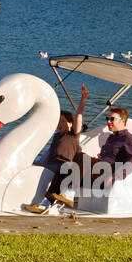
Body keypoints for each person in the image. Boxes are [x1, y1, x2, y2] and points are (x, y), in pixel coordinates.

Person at [22, 85, 89, 214]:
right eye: (58, 122)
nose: (59, 125)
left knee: (60, 170)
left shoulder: (73, 135)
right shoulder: (57, 136)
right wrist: (36, 164)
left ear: (70, 123)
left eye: (63, 121)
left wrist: (83, 99)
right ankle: (41, 205)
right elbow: (48, 154)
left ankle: (44, 205)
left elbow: (79, 114)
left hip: (64, 164)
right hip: (51, 164)